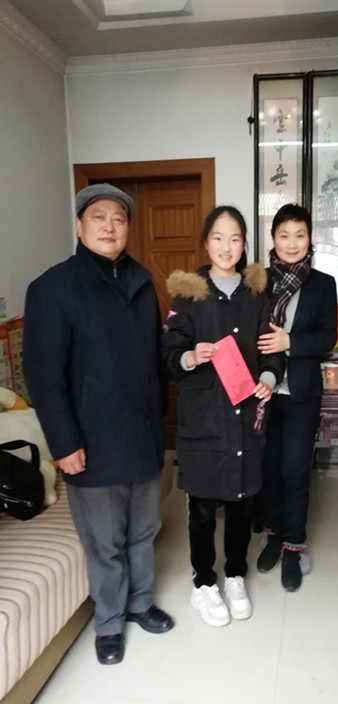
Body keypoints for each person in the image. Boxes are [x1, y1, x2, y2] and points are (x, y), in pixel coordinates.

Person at [22, 183, 174, 666]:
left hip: (142, 433)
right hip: (91, 440)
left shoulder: (142, 281)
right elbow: (42, 375)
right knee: (104, 542)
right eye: (98, 217)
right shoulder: (53, 287)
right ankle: (109, 623)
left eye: (119, 218)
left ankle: (140, 602)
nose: (109, 226)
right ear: (79, 224)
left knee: (144, 529)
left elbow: (153, 359)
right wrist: (63, 442)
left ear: (128, 228)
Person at [161, 205, 284, 627]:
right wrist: (191, 356)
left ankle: (234, 576)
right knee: (201, 506)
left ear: (244, 244)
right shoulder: (189, 296)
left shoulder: (256, 295)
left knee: (241, 503)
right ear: (206, 243)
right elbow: (169, 355)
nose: (226, 247)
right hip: (205, 417)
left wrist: (268, 376)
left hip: (246, 415)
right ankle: (203, 583)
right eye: (218, 238)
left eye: (235, 239)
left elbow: (272, 350)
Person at [256, 203, 338, 592]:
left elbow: (328, 337)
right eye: (284, 235)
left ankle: (293, 545)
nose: (292, 243)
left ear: (309, 239)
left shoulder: (322, 284)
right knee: (268, 468)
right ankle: (273, 533)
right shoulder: (258, 281)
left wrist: (289, 341)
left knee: (295, 470)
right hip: (262, 391)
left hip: (301, 392)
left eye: (299, 235)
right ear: (273, 239)